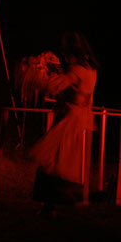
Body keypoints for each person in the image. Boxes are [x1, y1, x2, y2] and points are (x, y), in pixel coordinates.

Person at [29, 31, 99, 217]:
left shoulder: (77, 69)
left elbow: (57, 86)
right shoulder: (90, 68)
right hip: (76, 116)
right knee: (57, 161)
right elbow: (70, 86)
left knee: (52, 160)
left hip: (70, 118)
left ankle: (56, 203)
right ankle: (55, 203)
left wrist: (38, 75)